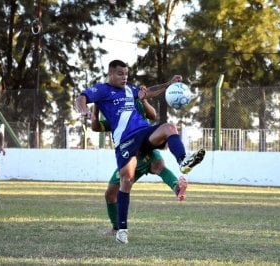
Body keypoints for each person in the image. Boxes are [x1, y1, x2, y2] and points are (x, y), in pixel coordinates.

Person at [75, 59, 205, 244]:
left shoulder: (131, 90)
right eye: (120, 74)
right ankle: (121, 230)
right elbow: (81, 98)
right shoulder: (102, 90)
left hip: (144, 133)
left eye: (126, 74)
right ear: (110, 75)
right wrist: (84, 111)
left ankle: (183, 161)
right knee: (126, 180)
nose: (124, 77)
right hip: (125, 141)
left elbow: (150, 92)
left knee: (169, 127)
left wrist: (169, 84)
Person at [91, 98, 188, 236]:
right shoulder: (117, 116)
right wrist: (96, 105)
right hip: (139, 155)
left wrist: (144, 100)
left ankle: (117, 228)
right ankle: (177, 187)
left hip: (136, 154)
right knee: (111, 193)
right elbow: (95, 127)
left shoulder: (133, 103)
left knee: (157, 168)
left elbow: (153, 115)